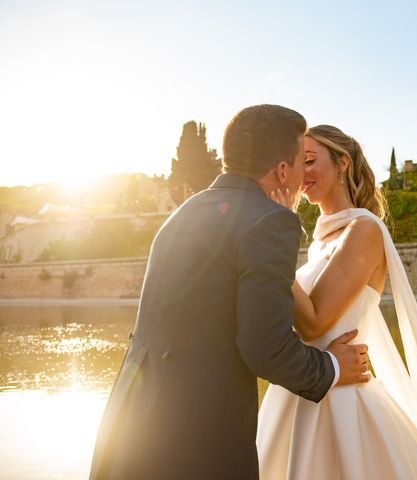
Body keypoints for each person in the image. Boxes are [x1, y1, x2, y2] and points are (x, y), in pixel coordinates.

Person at [89, 106, 371, 480]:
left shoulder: (186, 211)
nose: (303, 175)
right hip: (196, 439)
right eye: (299, 163)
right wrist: (333, 367)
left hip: (131, 425)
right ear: (282, 171)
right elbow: (265, 348)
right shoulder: (270, 221)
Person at [257, 125, 417, 479]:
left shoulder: (364, 230)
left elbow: (313, 322)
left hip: (340, 403)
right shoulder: (321, 241)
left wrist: (273, 237)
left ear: (342, 162)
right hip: (304, 387)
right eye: (298, 163)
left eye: (310, 160)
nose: (301, 173)